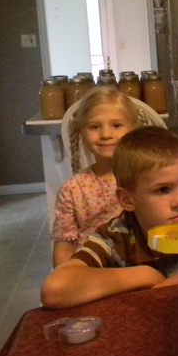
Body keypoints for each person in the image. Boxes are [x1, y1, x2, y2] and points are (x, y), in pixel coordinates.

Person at [41, 127, 178, 309]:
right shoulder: (115, 236)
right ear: (127, 199)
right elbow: (54, 291)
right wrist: (145, 275)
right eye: (163, 190)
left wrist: (157, 290)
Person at [51, 86, 140, 267]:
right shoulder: (73, 189)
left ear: (133, 128)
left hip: (137, 266)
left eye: (116, 125)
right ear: (82, 132)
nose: (106, 135)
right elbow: (64, 247)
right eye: (94, 127)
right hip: (91, 271)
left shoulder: (145, 178)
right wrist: (67, 280)